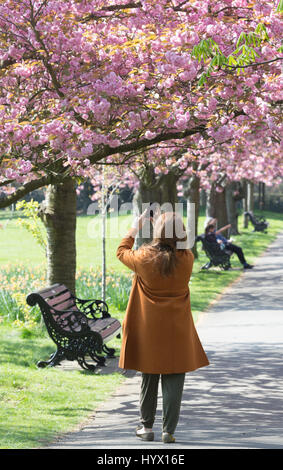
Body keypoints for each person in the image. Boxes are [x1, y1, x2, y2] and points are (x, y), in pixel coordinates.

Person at [116, 210, 209, 444]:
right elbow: (179, 248)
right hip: (177, 329)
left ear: (157, 232)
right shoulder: (187, 258)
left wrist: (135, 228)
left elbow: (121, 252)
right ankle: (169, 430)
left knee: (149, 377)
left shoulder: (143, 258)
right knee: (175, 378)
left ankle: (146, 427)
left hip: (149, 328)